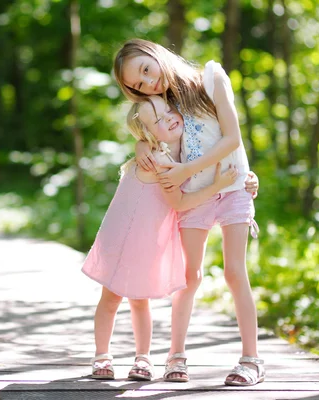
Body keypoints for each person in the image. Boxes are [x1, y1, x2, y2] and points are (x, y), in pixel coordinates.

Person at [112, 38, 265, 386]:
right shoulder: (159, 104)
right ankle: (175, 356)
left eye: (147, 71)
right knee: (189, 276)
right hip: (194, 196)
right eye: (138, 85)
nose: (149, 83)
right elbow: (142, 131)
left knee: (234, 273)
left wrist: (186, 169)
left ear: (156, 54)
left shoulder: (210, 78)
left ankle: (251, 359)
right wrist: (141, 147)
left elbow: (232, 139)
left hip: (234, 188)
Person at [82, 95, 239, 381]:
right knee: (112, 298)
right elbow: (179, 203)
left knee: (139, 300)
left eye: (168, 110)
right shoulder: (159, 161)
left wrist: (246, 177)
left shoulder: (180, 153)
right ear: (147, 134)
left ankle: (142, 358)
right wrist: (219, 185)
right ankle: (103, 355)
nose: (169, 117)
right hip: (120, 239)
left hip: (144, 242)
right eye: (158, 120)